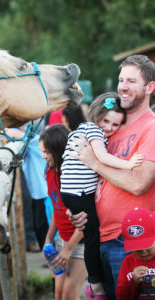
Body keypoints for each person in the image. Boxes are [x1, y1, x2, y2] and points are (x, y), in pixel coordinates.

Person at [67, 55, 155, 299]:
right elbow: (89, 175)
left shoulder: (151, 128)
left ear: (150, 87)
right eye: (121, 80)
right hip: (100, 236)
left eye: (131, 81)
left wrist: (95, 162)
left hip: (130, 241)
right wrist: (77, 206)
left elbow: (139, 184)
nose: (123, 86)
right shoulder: (111, 125)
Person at [60, 93, 142, 300]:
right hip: (79, 193)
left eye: (116, 124)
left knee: (90, 235)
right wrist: (129, 164)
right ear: (96, 114)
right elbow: (103, 158)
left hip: (74, 192)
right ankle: (95, 285)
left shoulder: (83, 130)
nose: (109, 127)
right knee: (92, 237)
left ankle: (95, 282)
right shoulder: (92, 130)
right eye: (106, 120)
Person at [39, 124, 87, 300]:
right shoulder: (50, 172)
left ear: (59, 150)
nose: (43, 156)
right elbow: (57, 209)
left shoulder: (75, 176)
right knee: (58, 295)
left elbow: (85, 220)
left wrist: (67, 250)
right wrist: (48, 239)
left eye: (46, 152)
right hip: (62, 240)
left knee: (68, 294)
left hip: (81, 244)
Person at [116, 208, 155, 299]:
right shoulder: (128, 262)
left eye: (148, 247)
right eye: (138, 249)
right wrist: (133, 282)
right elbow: (121, 297)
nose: (144, 252)